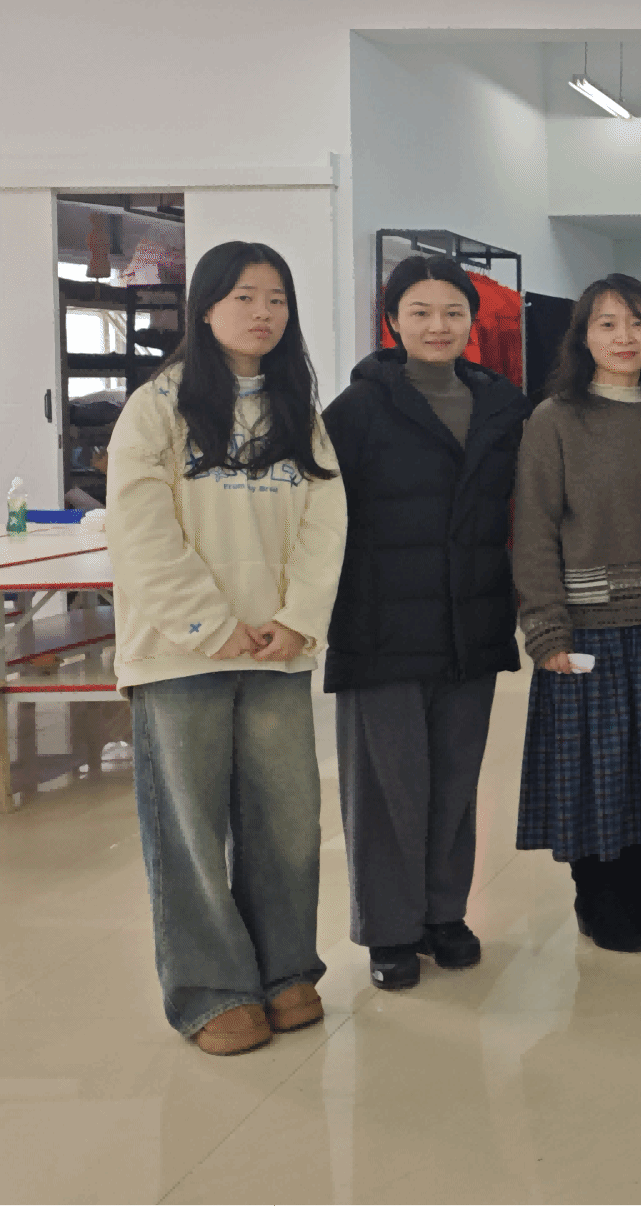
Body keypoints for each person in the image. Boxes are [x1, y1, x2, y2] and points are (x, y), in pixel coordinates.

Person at [106, 241, 346, 1056]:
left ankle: (285, 972)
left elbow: (325, 523)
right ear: (205, 308)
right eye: (244, 297)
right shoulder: (155, 409)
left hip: (276, 648)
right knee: (190, 828)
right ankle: (212, 989)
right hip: (180, 654)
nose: (262, 313)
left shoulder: (296, 411)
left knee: (288, 822)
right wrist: (209, 624)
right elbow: (141, 534)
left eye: (276, 298)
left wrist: (298, 616)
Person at [323, 254, 530, 991]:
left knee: (454, 780)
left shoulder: (503, 406)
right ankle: (389, 930)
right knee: (386, 789)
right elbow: (321, 520)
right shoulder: (356, 409)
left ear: (473, 321)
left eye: (452, 312)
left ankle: (444, 915)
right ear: (393, 320)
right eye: (420, 311)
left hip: (471, 622)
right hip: (379, 627)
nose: (437, 325)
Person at [513, 274, 641, 954]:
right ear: (583, 336)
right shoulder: (556, 419)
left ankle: (639, 888)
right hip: (587, 628)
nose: (625, 338)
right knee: (595, 772)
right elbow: (534, 529)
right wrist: (546, 629)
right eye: (608, 324)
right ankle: (596, 896)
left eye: (639, 322)